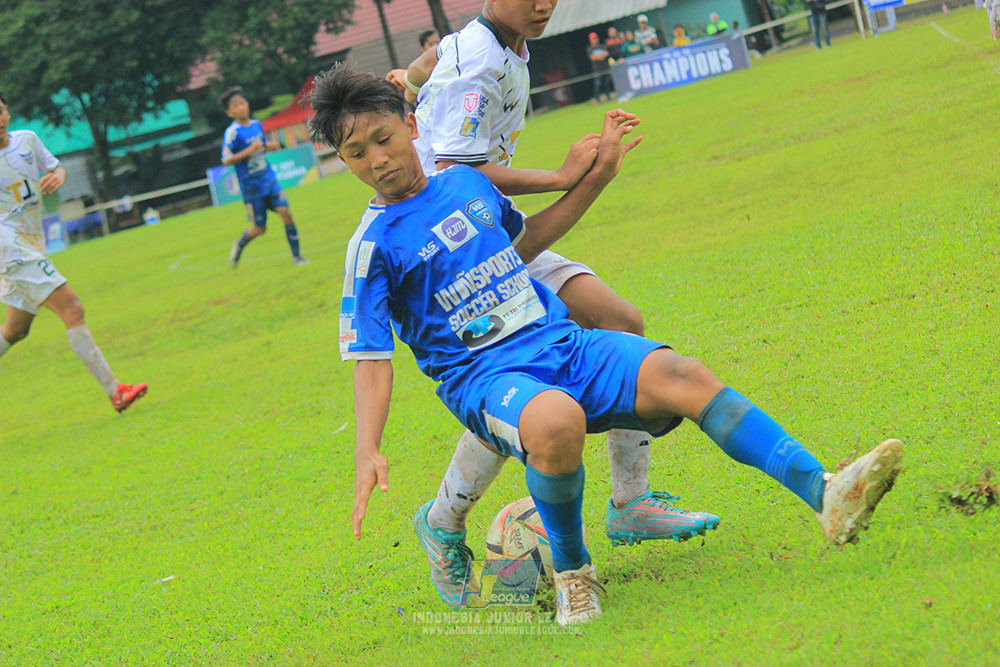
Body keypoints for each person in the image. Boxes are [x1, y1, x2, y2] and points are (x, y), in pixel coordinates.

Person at [308, 65, 905, 626]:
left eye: (383, 139)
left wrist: (595, 180)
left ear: (410, 125)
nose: (377, 160)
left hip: (558, 343)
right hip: (484, 380)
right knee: (557, 421)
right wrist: (368, 448)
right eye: (356, 154)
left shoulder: (465, 182)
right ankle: (574, 573)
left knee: (684, 374)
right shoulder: (371, 247)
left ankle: (826, 493)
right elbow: (370, 359)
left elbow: (523, 243)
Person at [390, 0, 721, 598]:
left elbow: (435, 58)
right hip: (457, 238)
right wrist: (562, 177)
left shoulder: (496, 40)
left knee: (620, 320)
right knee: (514, 379)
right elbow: (461, 167)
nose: (544, 4)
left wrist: (410, 80)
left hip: (488, 221)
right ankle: (443, 518)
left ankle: (630, 504)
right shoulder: (481, 61)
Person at [0, 92, 148, 412]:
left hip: (31, 242)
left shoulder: (27, 139)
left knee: (15, 330)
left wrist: (57, 176)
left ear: (7, 111)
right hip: (9, 246)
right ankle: (116, 391)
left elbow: (57, 168)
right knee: (73, 310)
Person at [220, 86, 307, 268]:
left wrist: (270, 146)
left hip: (269, 180)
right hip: (252, 188)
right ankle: (240, 244)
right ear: (230, 112)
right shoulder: (232, 133)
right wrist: (248, 151)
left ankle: (297, 257)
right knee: (260, 229)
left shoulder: (256, 125)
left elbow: (261, 145)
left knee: (286, 213)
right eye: (236, 106)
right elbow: (226, 159)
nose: (241, 107)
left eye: (243, 103)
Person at [586, 32, 614, 102]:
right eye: (593, 39)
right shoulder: (590, 48)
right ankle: (598, 99)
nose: (595, 40)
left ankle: (608, 97)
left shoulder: (602, 46)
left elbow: (607, 54)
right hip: (597, 69)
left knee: (607, 83)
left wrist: (598, 57)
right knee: (598, 84)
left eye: (595, 38)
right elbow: (592, 58)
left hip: (605, 67)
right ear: (590, 40)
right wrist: (601, 56)